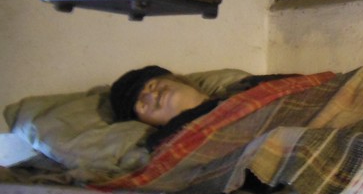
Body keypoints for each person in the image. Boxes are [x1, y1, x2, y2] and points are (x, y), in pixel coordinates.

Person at [110, 65, 297, 152]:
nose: (152, 95)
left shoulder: (247, 86)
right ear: (145, 123)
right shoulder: (170, 143)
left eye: (152, 85)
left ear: (177, 80)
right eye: (142, 104)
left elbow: (304, 88)